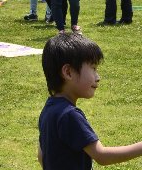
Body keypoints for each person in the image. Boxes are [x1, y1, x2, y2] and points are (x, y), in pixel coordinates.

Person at [39, 33, 142, 169]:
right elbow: (102, 156)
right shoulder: (69, 115)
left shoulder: (49, 109)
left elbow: (41, 156)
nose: (97, 77)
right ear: (68, 72)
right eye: (93, 68)